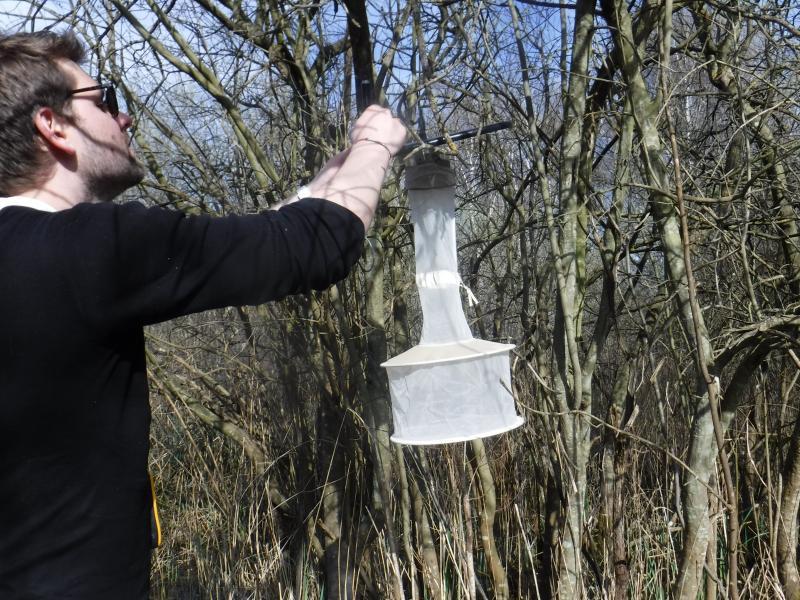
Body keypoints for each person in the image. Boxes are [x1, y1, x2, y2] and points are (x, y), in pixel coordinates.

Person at [0, 30, 407, 599]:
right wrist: (376, 144)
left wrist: (325, 184)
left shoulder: (54, 256)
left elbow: (269, 237)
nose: (125, 120)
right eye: (105, 100)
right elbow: (318, 244)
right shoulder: (97, 247)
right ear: (53, 126)